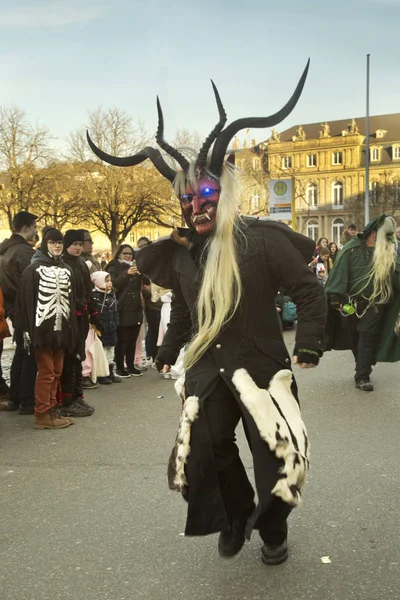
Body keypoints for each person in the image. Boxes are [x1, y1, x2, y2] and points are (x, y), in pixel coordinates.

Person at [87, 61, 328, 566]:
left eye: (206, 197)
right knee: (206, 448)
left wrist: (308, 343)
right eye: (188, 201)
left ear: (225, 195)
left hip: (260, 365)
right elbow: (185, 312)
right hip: (207, 369)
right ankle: (235, 514)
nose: (196, 209)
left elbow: (308, 289)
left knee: (273, 456)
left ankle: (273, 530)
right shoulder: (183, 254)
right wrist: (168, 349)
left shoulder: (260, 241)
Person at [325, 214, 400, 391]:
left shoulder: (389, 252)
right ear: (373, 232)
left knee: (367, 335)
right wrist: (336, 299)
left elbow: (397, 275)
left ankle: (362, 376)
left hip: (376, 303)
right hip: (351, 303)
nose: (391, 239)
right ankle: (364, 363)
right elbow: (339, 272)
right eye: (387, 235)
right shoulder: (352, 248)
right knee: (354, 337)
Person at [14, 228, 77, 429]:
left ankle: (51, 411)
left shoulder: (67, 269)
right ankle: (42, 414)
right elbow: (24, 304)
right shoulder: (32, 270)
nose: (57, 245)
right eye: (52, 242)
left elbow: (71, 302)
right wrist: (26, 331)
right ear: (45, 244)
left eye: (60, 242)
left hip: (60, 332)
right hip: (41, 331)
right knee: (46, 372)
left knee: (56, 372)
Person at [0, 211, 38, 413]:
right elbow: (34, 281)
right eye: (34, 227)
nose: (36, 231)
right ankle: (26, 400)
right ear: (25, 228)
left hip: (14, 306)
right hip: (25, 307)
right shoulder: (23, 252)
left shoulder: (7, 249)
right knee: (29, 353)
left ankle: (16, 397)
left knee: (22, 352)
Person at [60, 230, 99, 417]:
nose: (77, 247)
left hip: (81, 317)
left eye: (79, 244)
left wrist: (94, 312)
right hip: (68, 319)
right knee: (70, 357)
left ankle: (77, 396)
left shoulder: (82, 264)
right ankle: (67, 400)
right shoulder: (62, 265)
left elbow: (88, 290)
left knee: (78, 356)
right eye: (73, 244)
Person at [106, 245, 144, 378]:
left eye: (130, 254)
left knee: (133, 338)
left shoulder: (135, 267)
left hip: (135, 307)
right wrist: (126, 274)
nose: (128, 256)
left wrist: (142, 273)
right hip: (122, 307)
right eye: (125, 253)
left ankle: (131, 365)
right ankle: (120, 367)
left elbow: (144, 284)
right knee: (123, 339)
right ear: (119, 255)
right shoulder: (113, 267)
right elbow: (114, 284)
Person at [90, 271, 121, 384]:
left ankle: (110, 372)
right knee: (102, 352)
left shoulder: (111, 295)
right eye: (106, 281)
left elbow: (116, 311)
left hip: (112, 327)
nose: (110, 283)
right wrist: (97, 326)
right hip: (101, 329)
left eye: (110, 281)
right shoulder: (94, 296)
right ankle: (102, 374)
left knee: (110, 352)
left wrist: (116, 323)